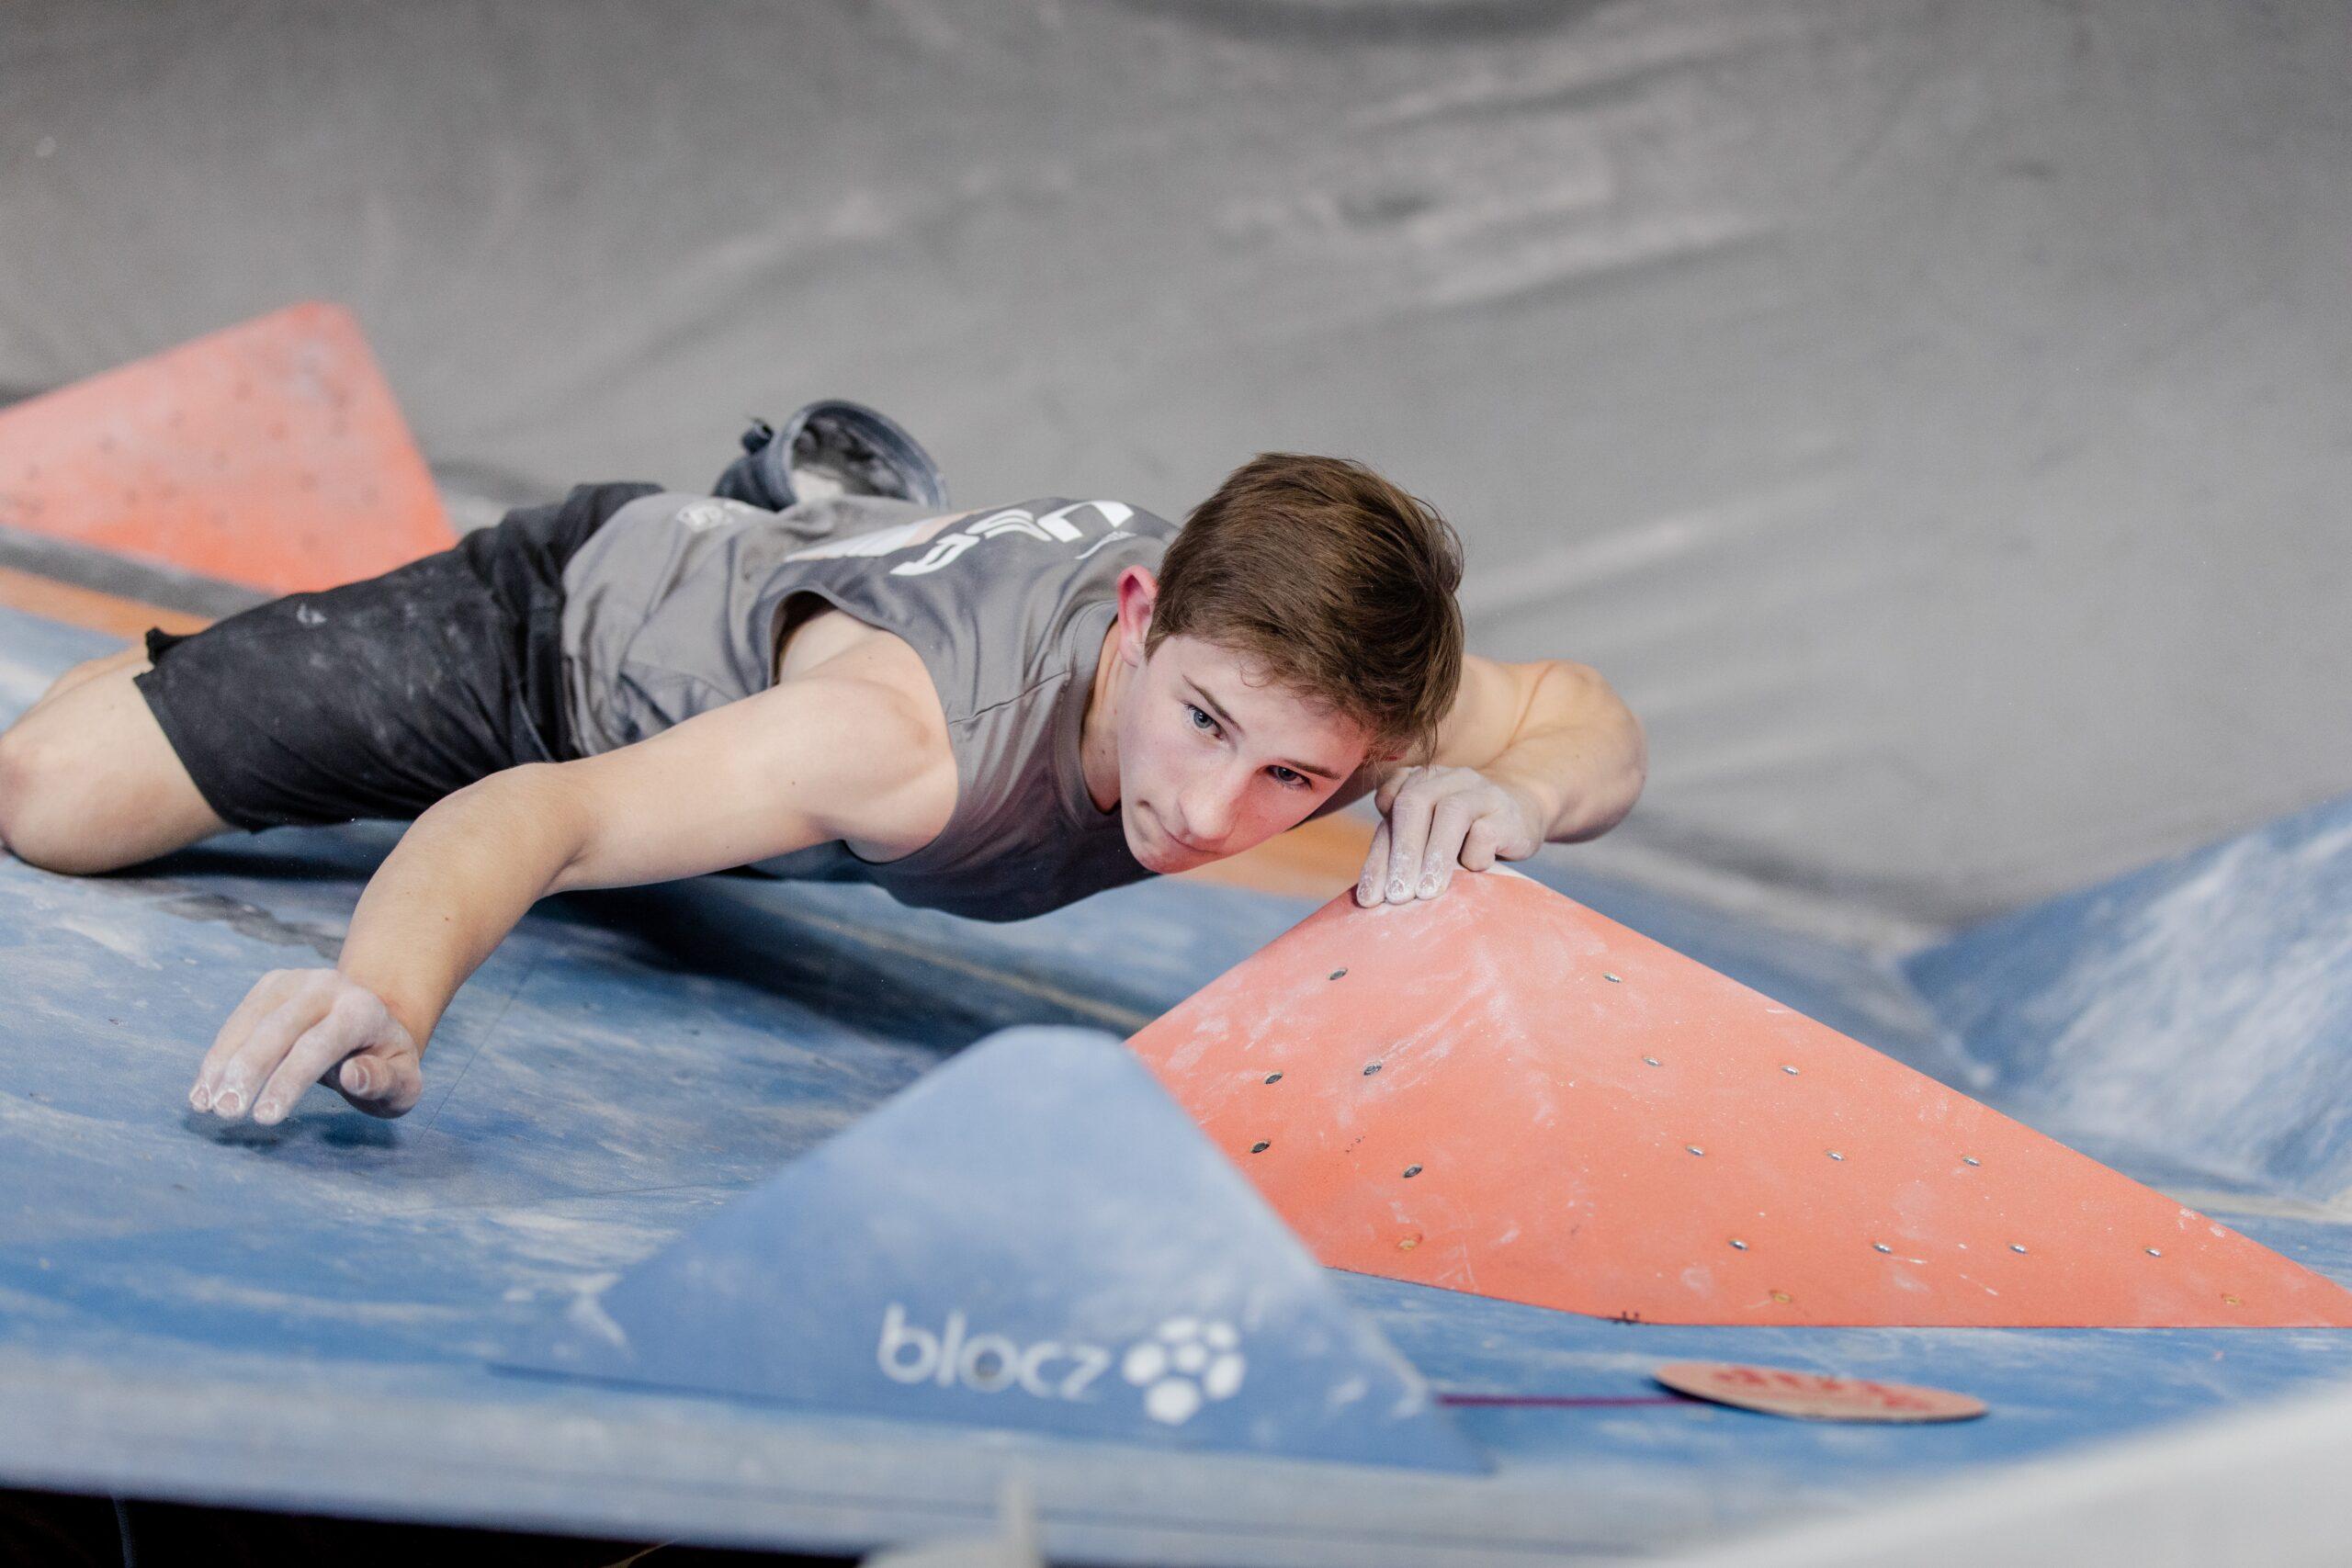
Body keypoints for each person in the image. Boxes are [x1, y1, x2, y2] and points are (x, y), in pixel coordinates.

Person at [0, 438, 1645, 1130]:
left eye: (1301, 779)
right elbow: (543, 817)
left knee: (758, 799)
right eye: (1203, 725)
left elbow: (1581, 712)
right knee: (55, 796)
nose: (1217, 818)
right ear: (1138, 623)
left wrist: (1523, 800)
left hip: (796, 712)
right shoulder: (906, 741)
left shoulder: (1337, 687)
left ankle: (845, 516)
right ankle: (152, 683)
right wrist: (385, 988)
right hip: (564, 647)